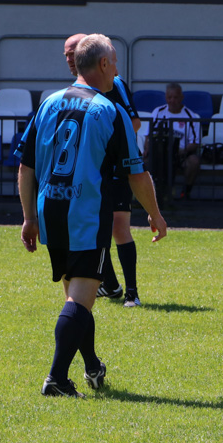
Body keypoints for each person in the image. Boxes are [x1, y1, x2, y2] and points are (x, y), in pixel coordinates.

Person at [18, 34, 168, 398]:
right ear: (103, 65)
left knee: (76, 296)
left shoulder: (49, 102)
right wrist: (155, 215)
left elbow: (25, 165)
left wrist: (28, 217)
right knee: (81, 298)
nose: (117, 69)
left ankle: (91, 366)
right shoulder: (109, 111)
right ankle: (56, 379)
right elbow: (136, 173)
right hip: (85, 213)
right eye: (115, 62)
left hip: (49, 207)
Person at [64, 33, 143, 307]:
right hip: (91, 172)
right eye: (66, 54)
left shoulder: (114, 83)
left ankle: (132, 293)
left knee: (119, 227)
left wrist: (111, 149)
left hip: (117, 167)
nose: (70, 58)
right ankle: (109, 285)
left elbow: (134, 123)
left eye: (73, 51)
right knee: (94, 226)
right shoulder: (72, 93)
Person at [145, 83, 202, 200]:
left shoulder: (191, 116)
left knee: (194, 162)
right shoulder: (158, 112)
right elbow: (148, 136)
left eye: (175, 97)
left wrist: (182, 151)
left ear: (181, 98)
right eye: (169, 97)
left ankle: (185, 193)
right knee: (139, 162)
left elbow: (195, 143)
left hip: (181, 154)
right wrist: (147, 149)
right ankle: (149, 196)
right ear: (166, 98)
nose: (172, 100)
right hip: (159, 153)